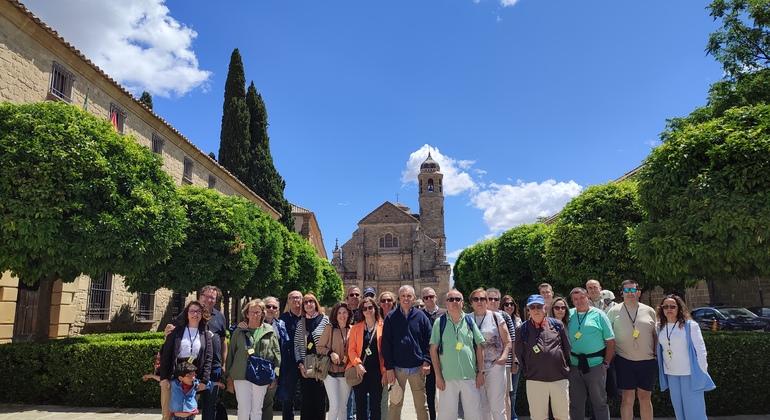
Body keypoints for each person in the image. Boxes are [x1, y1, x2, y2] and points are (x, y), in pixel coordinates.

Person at [429, 289, 485, 420]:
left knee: (474, 414)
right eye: (451, 299)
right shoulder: (440, 322)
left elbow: (480, 346)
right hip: (447, 378)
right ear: (447, 303)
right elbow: (433, 349)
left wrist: (481, 372)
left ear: (462, 303)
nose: (454, 302)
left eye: (457, 299)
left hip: (469, 376)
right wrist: (438, 376)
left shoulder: (470, 321)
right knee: (446, 415)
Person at [656, 295, 714, 419]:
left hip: (690, 373)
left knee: (694, 411)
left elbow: (701, 350)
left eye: (672, 306)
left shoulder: (690, 325)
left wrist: (702, 371)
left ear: (679, 308)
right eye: (665, 306)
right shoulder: (660, 327)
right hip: (671, 373)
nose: (669, 309)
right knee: (679, 410)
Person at [606, 280, 657, 420]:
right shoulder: (613, 311)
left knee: (645, 398)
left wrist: (656, 355)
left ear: (639, 292)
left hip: (647, 361)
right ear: (622, 293)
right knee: (627, 398)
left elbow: (655, 334)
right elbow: (607, 336)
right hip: (624, 360)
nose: (630, 293)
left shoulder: (649, 311)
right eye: (626, 291)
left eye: (633, 290)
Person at [515, 295, 571, 420]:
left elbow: (567, 349)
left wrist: (564, 368)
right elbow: (520, 354)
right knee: (538, 417)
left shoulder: (557, 325)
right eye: (532, 307)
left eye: (539, 306)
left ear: (545, 308)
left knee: (562, 416)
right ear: (528, 310)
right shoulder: (522, 329)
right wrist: (530, 369)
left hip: (559, 378)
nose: (536, 310)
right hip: (535, 379)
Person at [382, 285, 433, 420]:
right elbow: (385, 344)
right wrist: (389, 368)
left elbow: (429, 340)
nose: (406, 298)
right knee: (395, 404)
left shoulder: (421, 316)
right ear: (398, 298)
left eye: (409, 296)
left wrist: (426, 361)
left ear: (414, 298)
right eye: (403, 296)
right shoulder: (391, 317)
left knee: (422, 406)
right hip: (397, 369)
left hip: (417, 368)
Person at [226, 299, 281, 420]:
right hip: (241, 375)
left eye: (258, 312)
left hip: (261, 374)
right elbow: (231, 354)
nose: (255, 315)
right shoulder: (238, 331)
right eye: (252, 312)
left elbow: (276, 354)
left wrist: (275, 374)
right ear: (246, 314)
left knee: (257, 410)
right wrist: (229, 377)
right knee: (243, 409)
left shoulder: (269, 331)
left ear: (262, 314)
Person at [567, 287, 615, 420]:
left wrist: (606, 363)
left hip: (595, 366)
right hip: (574, 365)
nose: (579, 301)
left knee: (599, 402)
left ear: (587, 297)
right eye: (575, 299)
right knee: (576, 403)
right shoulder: (569, 315)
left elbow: (610, 342)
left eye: (582, 297)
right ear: (572, 301)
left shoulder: (599, 315)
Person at [159, 300, 214, 417]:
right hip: (173, 378)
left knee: (188, 413)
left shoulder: (206, 335)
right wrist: (163, 378)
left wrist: (204, 381)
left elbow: (208, 359)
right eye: (192, 311)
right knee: (168, 413)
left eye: (198, 311)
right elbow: (166, 355)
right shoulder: (175, 332)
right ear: (187, 314)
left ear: (202, 314)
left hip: (192, 379)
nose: (195, 314)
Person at [469, 288, 510, 420]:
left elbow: (507, 341)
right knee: (482, 408)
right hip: (475, 370)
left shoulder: (496, 317)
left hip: (494, 367)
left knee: (497, 407)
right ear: (471, 302)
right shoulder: (468, 319)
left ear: (486, 301)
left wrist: (503, 358)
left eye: (482, 299)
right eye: (476, 299)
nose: (479, 302)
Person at [348, 297, 388, 420]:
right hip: (360, 371)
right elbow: (351, 350)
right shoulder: (356, 328)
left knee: (376, 405)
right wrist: (357, 364)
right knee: (360, 405)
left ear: (375, 309)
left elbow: (387, 351)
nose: (368, 310)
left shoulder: (384, 327)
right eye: (364, 308)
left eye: (370, 307)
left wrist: (386, 371)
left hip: (377, 372)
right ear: (361, 311)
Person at [293, 293, 329, 420]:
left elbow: (329, 342)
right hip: (306, 366)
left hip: (321, 365)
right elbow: (296, 345)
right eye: (306, 302)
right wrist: (300, 364)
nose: (309, 304)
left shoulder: (325, 320)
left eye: (311, 301)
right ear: (303, 306)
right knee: (307, 399)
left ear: (316, 304)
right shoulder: (300, 323)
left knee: (320, 399)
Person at [486, 288, 517, 420]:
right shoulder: (480, 315)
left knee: (505, 396)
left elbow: (512, 340)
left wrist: (514, 361)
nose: (493, 301)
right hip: (486, 365)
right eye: (490, 299)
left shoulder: (504, 316)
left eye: (496, 299)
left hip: (505, 363)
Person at [319, 302, 354, 420]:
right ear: (335, 314)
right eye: (339, 313)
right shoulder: (330, 328)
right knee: (334, 406)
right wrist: (330, 353)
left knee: (343, 407)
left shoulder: (353, 330)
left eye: (344, 312)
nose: (342, 315)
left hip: (346, 372)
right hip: (330, 373)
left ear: (349, 314)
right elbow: (319, 347)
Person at [198, 286, 228, 420]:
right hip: (193, 367)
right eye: (206, 296)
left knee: (210, 404)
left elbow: (223, 341)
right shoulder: (192, 313)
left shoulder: (220, 317)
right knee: (187, 402)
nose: (209, 300)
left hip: (214, 367)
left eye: (212, 297)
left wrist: (224, 363)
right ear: (200, 296)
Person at [421, 287, 446, 420]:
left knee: (446, 392)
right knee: (430, 392)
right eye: (426, 297)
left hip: (445, 358)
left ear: (436, 297)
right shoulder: (419, 315)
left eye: (431, 296)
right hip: (428, 359)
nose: (429, 299)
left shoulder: (445, 314)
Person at [262, 297, 289, 420]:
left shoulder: (280, 325)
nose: (271, 309)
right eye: (268, 306)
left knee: (268, 402)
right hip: (255, 368)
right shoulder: (253, 322)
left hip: (273, 370)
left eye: (274, 307)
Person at [278, 290, 303, 420]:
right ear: (288, 301)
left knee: (307, 396)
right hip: (289, 363)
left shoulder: (307, 318)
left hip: (305, 363)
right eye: (292, 298)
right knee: (287, 397)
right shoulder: (282, 319)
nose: (295, 300)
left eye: (298, 298)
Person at [501, 294, 522, 420]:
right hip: (504, 361)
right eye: (506, 304)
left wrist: (516, 360)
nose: (509, 306)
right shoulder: (498, 319)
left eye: (511, 304)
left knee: (513, 392)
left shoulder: (519, 321)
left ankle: (512, 415)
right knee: (504, 392)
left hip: (516, 360)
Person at [378, 290, 396, 420]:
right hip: (381, 364)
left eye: (389, 300)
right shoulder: (376, 319)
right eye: (383, 301)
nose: (386, 303)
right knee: (383, 397)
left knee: (397, 397)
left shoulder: (399, 317)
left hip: (398, 363)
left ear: (393, 302)